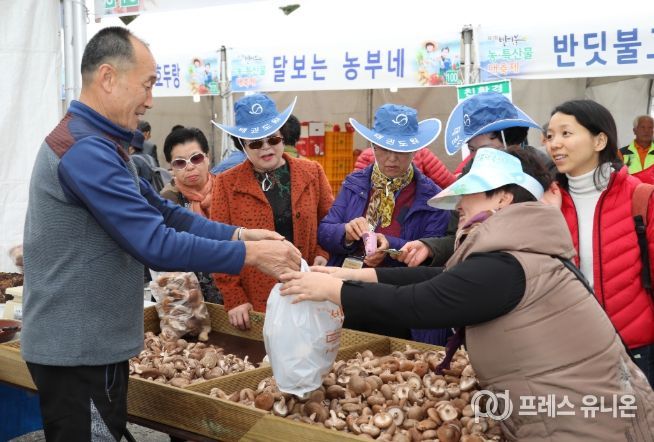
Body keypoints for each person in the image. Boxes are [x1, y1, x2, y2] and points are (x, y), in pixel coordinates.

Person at [20, 27, 301, 441]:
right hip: (78, 350)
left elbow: (165, 212)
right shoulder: (84, 150)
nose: (150, 99)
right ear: (108, 77)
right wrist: (251, 257)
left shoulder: (100, 144)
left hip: (90, 345)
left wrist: (240, 235)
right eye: (147, 84)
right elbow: (155, 242)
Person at [280, 147, 654, 441]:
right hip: (576, 414)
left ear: (503, 198)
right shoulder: (518, 250)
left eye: (469, 194)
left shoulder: (507, 263)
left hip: (586, 425)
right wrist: (354, 275)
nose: (459, 205)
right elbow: (444, 279)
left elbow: (420, 303)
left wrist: (333, 289)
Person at [318, 103, 450, 341]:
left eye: (401, 151)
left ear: (415, 151)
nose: (392, 158)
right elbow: (325, 231)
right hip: (348, 294)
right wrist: (346, 232)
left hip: (401, 302)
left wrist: (389, 247)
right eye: (384, 148)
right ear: (373, 146)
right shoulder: (355, 183)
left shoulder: (433, 198)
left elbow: (434, 256)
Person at [546, 99, 654, 386]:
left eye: (566, 133)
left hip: (633, 347)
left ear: (599, 141)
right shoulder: (548, 201)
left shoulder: (641, 197)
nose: (555, 144)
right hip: (567, 347)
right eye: (550, 135)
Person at [210, 93, 334, 331]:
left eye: (273, 139)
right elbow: (219, 243)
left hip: (307, 286)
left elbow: (329, 221)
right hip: (256, 296)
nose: (266, 147)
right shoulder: (226, 183)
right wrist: (234, 297)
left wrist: (323, 251)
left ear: (282, 136)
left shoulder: (312, 172)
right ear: (242, 146)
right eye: (256, 143)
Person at [399, 92, 542, 268]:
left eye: (485, 149)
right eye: (472, 150)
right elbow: (456, 236)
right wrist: (429, 247)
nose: (477, 157)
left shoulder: (539, 174)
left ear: (511, 143)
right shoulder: (469, 176)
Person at [159, 126, 223, 304]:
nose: (189, 167)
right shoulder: (167, 201)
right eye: (180, 163)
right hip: (188, 298)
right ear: (171, 167)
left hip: (232, 289)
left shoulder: (226, 189)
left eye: (196, 158)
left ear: (207, 158)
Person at [353, 145, 456, 189]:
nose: (392, 159)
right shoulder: (421, 152)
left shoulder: (367, 155)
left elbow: (355, 190)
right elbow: (449, 183)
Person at [619, 115, 654, 184]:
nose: (646, 130)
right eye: (642, 127)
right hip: (630, 190)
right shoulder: (621, 153)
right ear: (634, 131)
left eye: (650, 127)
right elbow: (618, 179)